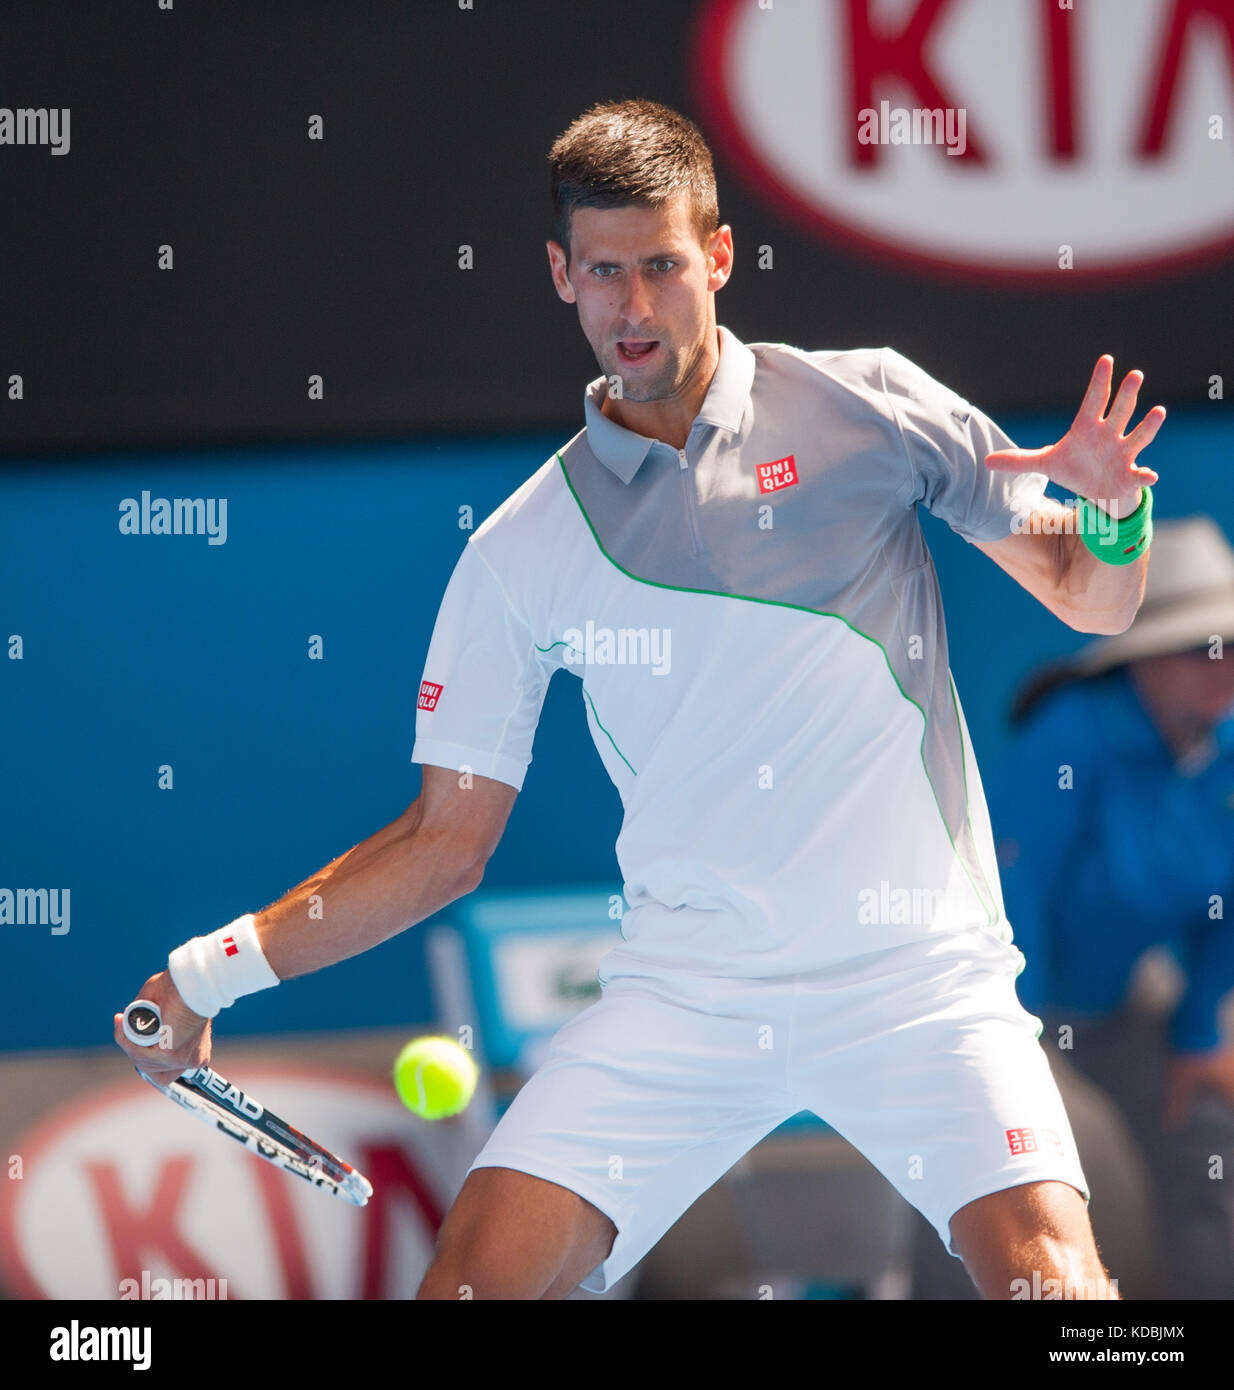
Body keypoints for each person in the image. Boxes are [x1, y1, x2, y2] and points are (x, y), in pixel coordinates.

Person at [114, 98, 1166, 1300]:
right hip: (690, 995)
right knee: (468, 1282)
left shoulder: (869, 404)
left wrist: (1114, 511)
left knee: (1054, 1285)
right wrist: (204, 974)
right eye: (603, 272)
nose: (633, 305)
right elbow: (441, 846)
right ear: (560, 275)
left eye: (662, 265)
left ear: (716, 258)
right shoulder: (521, 549)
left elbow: (1093, 599)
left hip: (920, 982)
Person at [989, 516, 1234, 1298]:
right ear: (1143, 660)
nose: (1223, 665)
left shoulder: (1223, 750)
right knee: (1009, 1163)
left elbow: (1224, 909)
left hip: (1125, 1001)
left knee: (1207, 1125)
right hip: (1016, 1009)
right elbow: (1011, 896)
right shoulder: (1068, 737)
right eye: (1201, 645)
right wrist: (1016, 1054)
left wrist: (1198, 1033)